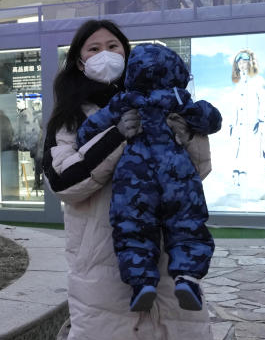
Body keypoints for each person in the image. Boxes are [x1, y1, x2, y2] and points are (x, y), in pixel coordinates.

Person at [29, 20, 217, 340]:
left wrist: (184, 134)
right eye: (94, 47)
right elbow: (65, 182)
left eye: (114, 45)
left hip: (161, 247)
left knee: (156, 339)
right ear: (79, 59)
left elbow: (201, 170)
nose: (105, 53)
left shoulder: (171, 101)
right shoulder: (72, 119)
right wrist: (118, 135)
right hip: (99, 251)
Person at [75, 43, 222, 312]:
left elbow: (87, 132)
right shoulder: (178, 99)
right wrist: (188, 116)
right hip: (177, 171)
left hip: (134, 176)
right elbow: (212, 120)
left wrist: (115, 130)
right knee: (187, 222)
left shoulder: (125, 101)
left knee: (132, 225)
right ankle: (187, 277)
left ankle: (141, 282)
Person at [228, 49, 265, 188]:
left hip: (253, 123)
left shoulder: (257, 80)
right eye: (239, 62)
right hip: (239, 125)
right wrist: (232, 124)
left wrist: (261, 120)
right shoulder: (238, 84)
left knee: (260, 149)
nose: (242, 65)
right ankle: (237, 177)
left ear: (250, 63)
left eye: (245, 62)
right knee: (239, 150)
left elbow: (264, 101)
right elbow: (235, 106)